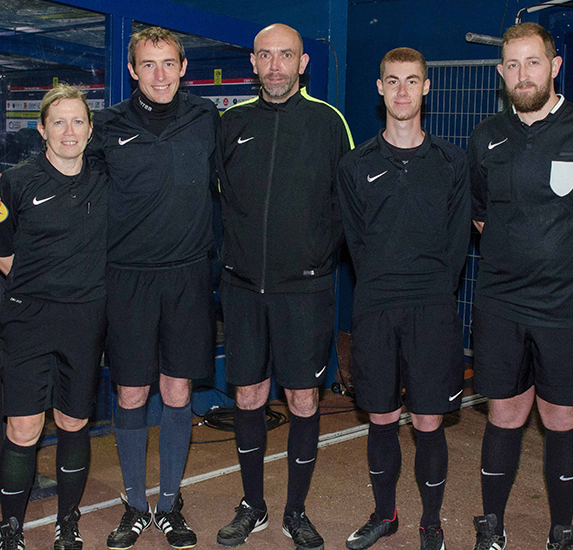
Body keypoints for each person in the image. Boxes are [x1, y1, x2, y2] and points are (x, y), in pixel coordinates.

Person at [0, 27, 220, 550]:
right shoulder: (106, 128)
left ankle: (170, 504)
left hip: (187, 275)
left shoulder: (208, 119)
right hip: (125, 280)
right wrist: (3, 194)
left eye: (168, 64)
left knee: (178, 392)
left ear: (183, 68)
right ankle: (135, 505)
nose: (159, 74)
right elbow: (61, 173)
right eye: (147, 64)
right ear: (132, 71)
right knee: (131, 392)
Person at [466, 23, 573, 550]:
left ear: (555, 65)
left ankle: (560, 531)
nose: (524, 75)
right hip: (501, 306)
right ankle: (491, 526)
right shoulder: (485, 137)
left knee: (560, 416)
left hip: (571, 310)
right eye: (513, 65)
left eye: (533, 62)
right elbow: (481, 219)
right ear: (501, 73)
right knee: (505, 415)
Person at [215, 23, 353, 550]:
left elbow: (345, 204)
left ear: (303, 64)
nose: (276, 65)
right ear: (253, 63)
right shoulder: (231, 124)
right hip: (244, 289)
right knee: (248, 395)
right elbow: (211, 198)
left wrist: (319, 260)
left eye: (286, 56)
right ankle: (253, 505)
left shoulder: (327, 122)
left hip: (305, 293)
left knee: (302, 398)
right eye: (266, 56)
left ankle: (296, 510)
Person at [337, 48, 469, 550]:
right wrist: (384, 289)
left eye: (412, 81)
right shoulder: (356, 165)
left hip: (433, 308)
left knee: (430, 419)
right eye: (392, 81)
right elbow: (355, 241)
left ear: (426, 88)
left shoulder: (452, 162)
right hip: (376, 308)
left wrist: (431, 290)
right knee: (382, 416)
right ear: (379, 88)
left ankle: (430, 520)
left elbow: (458, 245)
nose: (401, 91)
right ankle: (384, 513)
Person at [0, 84, 108, 550]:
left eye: (78, 121)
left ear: (91, 129)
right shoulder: (14, 182)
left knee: (73, 422)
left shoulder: (105, 177)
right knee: (23, 427)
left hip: (85, 319)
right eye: (58, 121)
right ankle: (11, 527)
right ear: (41, 129)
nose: (69, 131)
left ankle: (66, 521)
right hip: (27, 320)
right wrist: (40, 285)